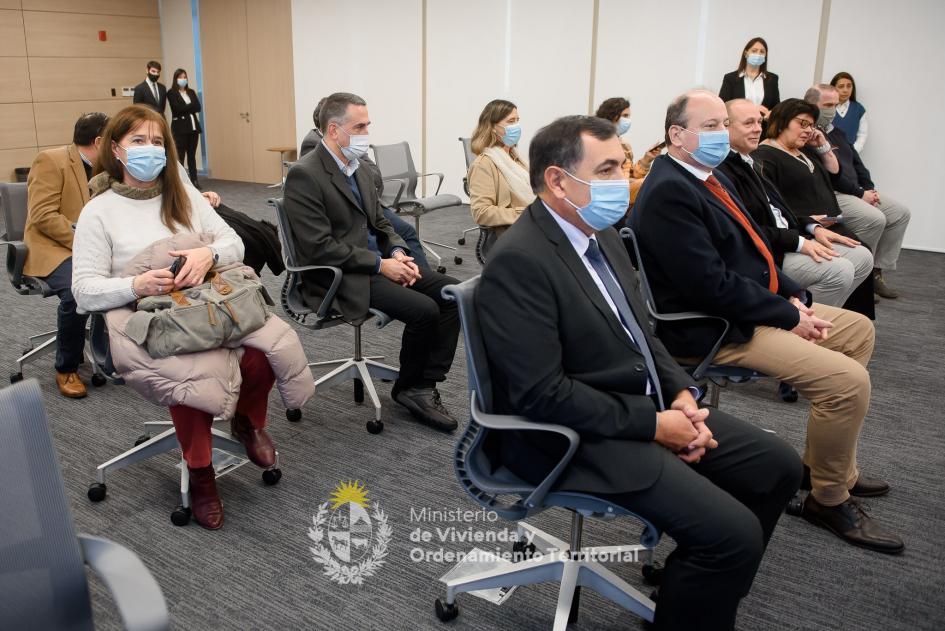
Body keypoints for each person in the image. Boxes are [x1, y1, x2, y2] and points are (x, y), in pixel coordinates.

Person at [478, 114, 802, 630]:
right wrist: (655, 427)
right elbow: (542, 395)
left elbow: (643, 333)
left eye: (623, 165)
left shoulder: (598, 231)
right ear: (559, 180)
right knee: (732, 535)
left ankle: (691, 595)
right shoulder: (521, 262)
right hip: (569, 437)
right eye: (607, 169)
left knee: (779, 466)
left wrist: (681, 396)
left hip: (639, 404)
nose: (623, 180)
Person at [630, 89, 904, 555]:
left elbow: (752, 249)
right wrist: (785, 313)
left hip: (747, 308)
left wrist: (792, 296)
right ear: (677, 135)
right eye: (711, 126)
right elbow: (711, 286)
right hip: (712, 327)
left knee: (859, 329)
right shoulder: (669, 190)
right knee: (847, 382)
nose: (724, 134)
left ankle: (826, 469)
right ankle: (828, 499)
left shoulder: (706, 176)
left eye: (724, 124)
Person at [72, 105, 313, 529]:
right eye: (138, 142)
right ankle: (201, 472)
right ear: (115, 148)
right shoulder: (99, 211)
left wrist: (209, 253)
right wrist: (135, 286)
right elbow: (84, 289)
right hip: (143, 315)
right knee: (190, 375)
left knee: (265, 351)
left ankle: (247, 421)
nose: (150, 150)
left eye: (157, 142)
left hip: (207, 300)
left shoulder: (181, 196)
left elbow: (233, 243)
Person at [284, 92, 460, 432]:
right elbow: (318, 248)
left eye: (367, 125)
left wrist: (396, 252)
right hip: (339, 275)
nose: (366, 133)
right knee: (425, 310)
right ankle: (410, 390)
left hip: (377, 263)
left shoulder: (360, 168)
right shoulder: (305, 175)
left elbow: (382, 223)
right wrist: (380, 265)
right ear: (334, 130)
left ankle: (424, 383)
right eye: (359, 126)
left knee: (452, 293)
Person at [718, 99, 872, 308]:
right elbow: (748, 228)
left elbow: (778, 209)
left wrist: (811, 226)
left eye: (759, 122)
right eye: (748, 123)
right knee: (840, 270)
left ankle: (821, 318)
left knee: (863, 256)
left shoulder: (749, 160)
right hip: (773, 248)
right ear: (724, 127)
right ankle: (800, 323)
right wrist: (800, 240)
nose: (757, 129)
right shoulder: (733, 165)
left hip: (794, 231)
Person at [23, 112, 108, 399]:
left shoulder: (103, 167)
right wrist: (86, 242)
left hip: (90, 244)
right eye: (112, 140)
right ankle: (66, 366)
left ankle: (108, 352)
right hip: (51, 245)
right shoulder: (51, 160)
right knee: (78, 291)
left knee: (128, 278)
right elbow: (43, 216)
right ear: (99, 141)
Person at [804, 84, 911, 299]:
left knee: (900, 213)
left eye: (835, 105)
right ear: (811, 105)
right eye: (827, 105)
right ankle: (860, 278)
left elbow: (858, 164)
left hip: (857, 191)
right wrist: (860, 194)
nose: (832, 111)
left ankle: (876, 273)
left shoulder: (838, 133)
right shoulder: (809, 136)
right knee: (875, 218)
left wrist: (869, 188)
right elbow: (832, 177)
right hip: (835, 193)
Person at [299, 98, 429, 269]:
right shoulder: (313, 144)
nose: (365, 132)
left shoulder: (353, 145)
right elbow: (331, 184)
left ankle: (416, 273)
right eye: (359, 126)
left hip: (368, 203)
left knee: (406, 232)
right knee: (379, 237)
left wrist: (359, 175)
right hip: (347, 208)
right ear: (331, 125)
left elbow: (374, 173)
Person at [467, 99, 534, 239]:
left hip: (530, 226)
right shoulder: (483, 164)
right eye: (511, 121)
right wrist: (526, 213)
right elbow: (481, 212)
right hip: (512, 232)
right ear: (492, 127)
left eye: (517, 120)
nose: (516, 126)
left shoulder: (516, 159)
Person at [594, 96, 660, 185]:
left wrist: (646, 159)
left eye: (628, 116)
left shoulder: (625, 145)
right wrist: (637, 184)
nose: (628, 120)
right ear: (612, 116)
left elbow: (631, 175)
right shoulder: (596, 144)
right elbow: (604, 180)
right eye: (625, 116)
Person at [718, 37, 780, 118]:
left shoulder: (772, 79)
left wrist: (771, 113)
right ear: (746, 53)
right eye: (754, 51)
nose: (758, 54)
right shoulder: (730, 78)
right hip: (738, 125)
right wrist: (754, 109)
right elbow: (723, 105)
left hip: (763, 127)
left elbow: (777, 107)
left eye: (762, 52)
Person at [167, 68, 202, 187]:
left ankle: (194, 180)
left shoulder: (191, 92)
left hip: (193, 128)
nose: (183, 79)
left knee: (192, 155)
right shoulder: (171, 93)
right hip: (180, 129)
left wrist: (188, 106)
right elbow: (177, 109)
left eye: (185, 77)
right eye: (180, 77)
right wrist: (191, 105)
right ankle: (181, 182)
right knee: (180, 155)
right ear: (176, 79)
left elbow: (198, 107)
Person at [830, 71, 868, 152]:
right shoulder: (827, 107)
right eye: (841, 86)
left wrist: (853, 151)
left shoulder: (859, 109)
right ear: (833, 87)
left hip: (850, 156)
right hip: (828, 155)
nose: (845, 90)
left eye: (849, 86)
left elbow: (862, 134)